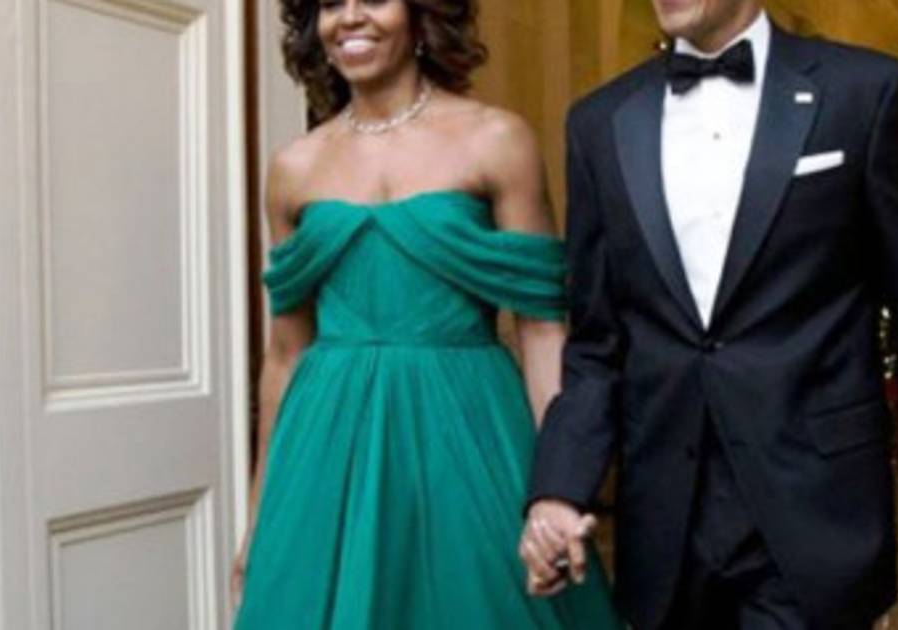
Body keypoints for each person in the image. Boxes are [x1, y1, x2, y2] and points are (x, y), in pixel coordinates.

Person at [520, 2, 898, 629]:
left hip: (816, 509)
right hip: (668, 524)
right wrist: (559, 489)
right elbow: (596, 345)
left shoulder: (864, 93)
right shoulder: (599, 122)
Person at [231, 0, 619, 627]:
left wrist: (559, 487)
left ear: (420, 16)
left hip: (467, 428)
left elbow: (543, 330)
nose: (349, 18)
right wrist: (260, 516)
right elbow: (284, 354)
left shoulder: (496, 139)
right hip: (327, 446)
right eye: (330, 4)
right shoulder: (293, 167)